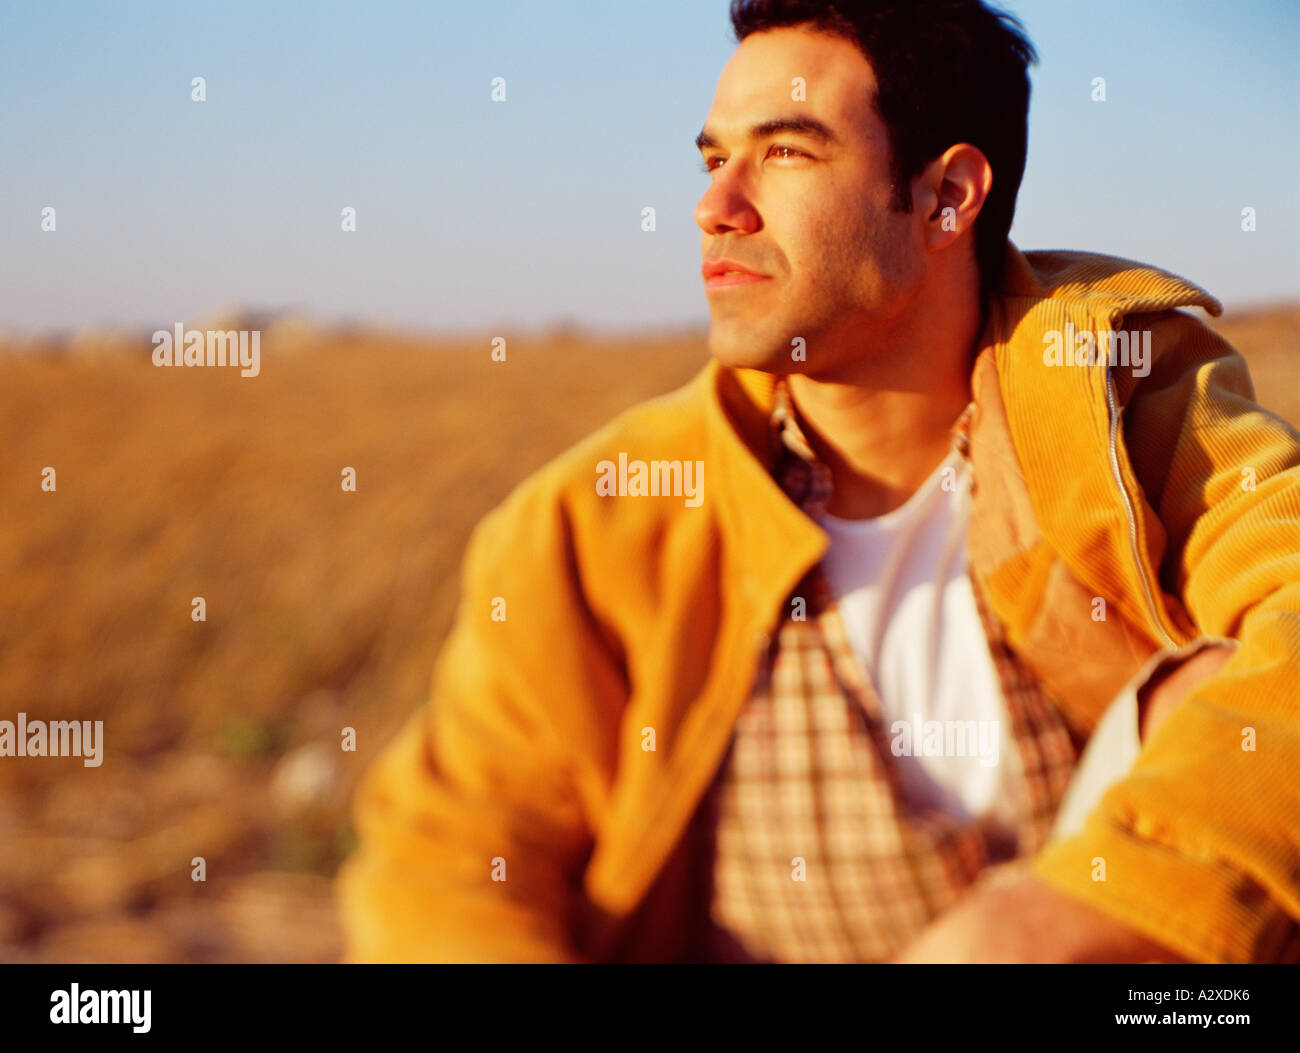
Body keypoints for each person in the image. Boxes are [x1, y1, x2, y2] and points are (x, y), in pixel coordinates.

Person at [336, 0, 1300, 963]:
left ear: (945, 199)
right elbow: (444, 857)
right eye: (715, 159)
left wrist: (1038, 930)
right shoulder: (602, 521)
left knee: (1210, 687)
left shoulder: (1123, 403)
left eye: (786, 152)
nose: (716, 207)